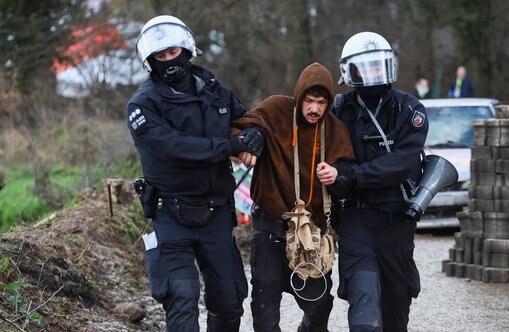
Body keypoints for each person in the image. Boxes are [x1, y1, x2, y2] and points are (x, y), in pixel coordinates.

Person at [127, 15, 262, 332]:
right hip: (171, 215)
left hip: (217, 213)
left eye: (172, 51)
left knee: (229, 300)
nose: (168, 60)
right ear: (150, 61)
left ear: (186, 49)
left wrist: (257, 137)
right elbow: (176, 147)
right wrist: (230, 147)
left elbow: (247, 124)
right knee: (182, 297)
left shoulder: (217, 91)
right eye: (160, 56)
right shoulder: (141, 106)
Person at [230, 62, 355, 332]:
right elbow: (240, 128)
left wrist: (337, 175)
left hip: (312, 234)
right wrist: (251, 140)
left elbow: (349, 176)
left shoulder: (335, 130)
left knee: (319, 305)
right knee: (264, 309)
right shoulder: (276, 110)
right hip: (269, 227)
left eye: (322, 103)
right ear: (299, 96)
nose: (314, 109)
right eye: (309, 101)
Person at [319, 31, 428, 332]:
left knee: (396, 309)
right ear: (348, 72)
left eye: (377, 66)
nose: (371, 74)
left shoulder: (411, 109)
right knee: (364, 309)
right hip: (356, 219)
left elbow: (402, 163)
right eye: (363, 68)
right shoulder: (338, 111)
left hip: (397, 218)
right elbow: (324, 154)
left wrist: (353, 175)